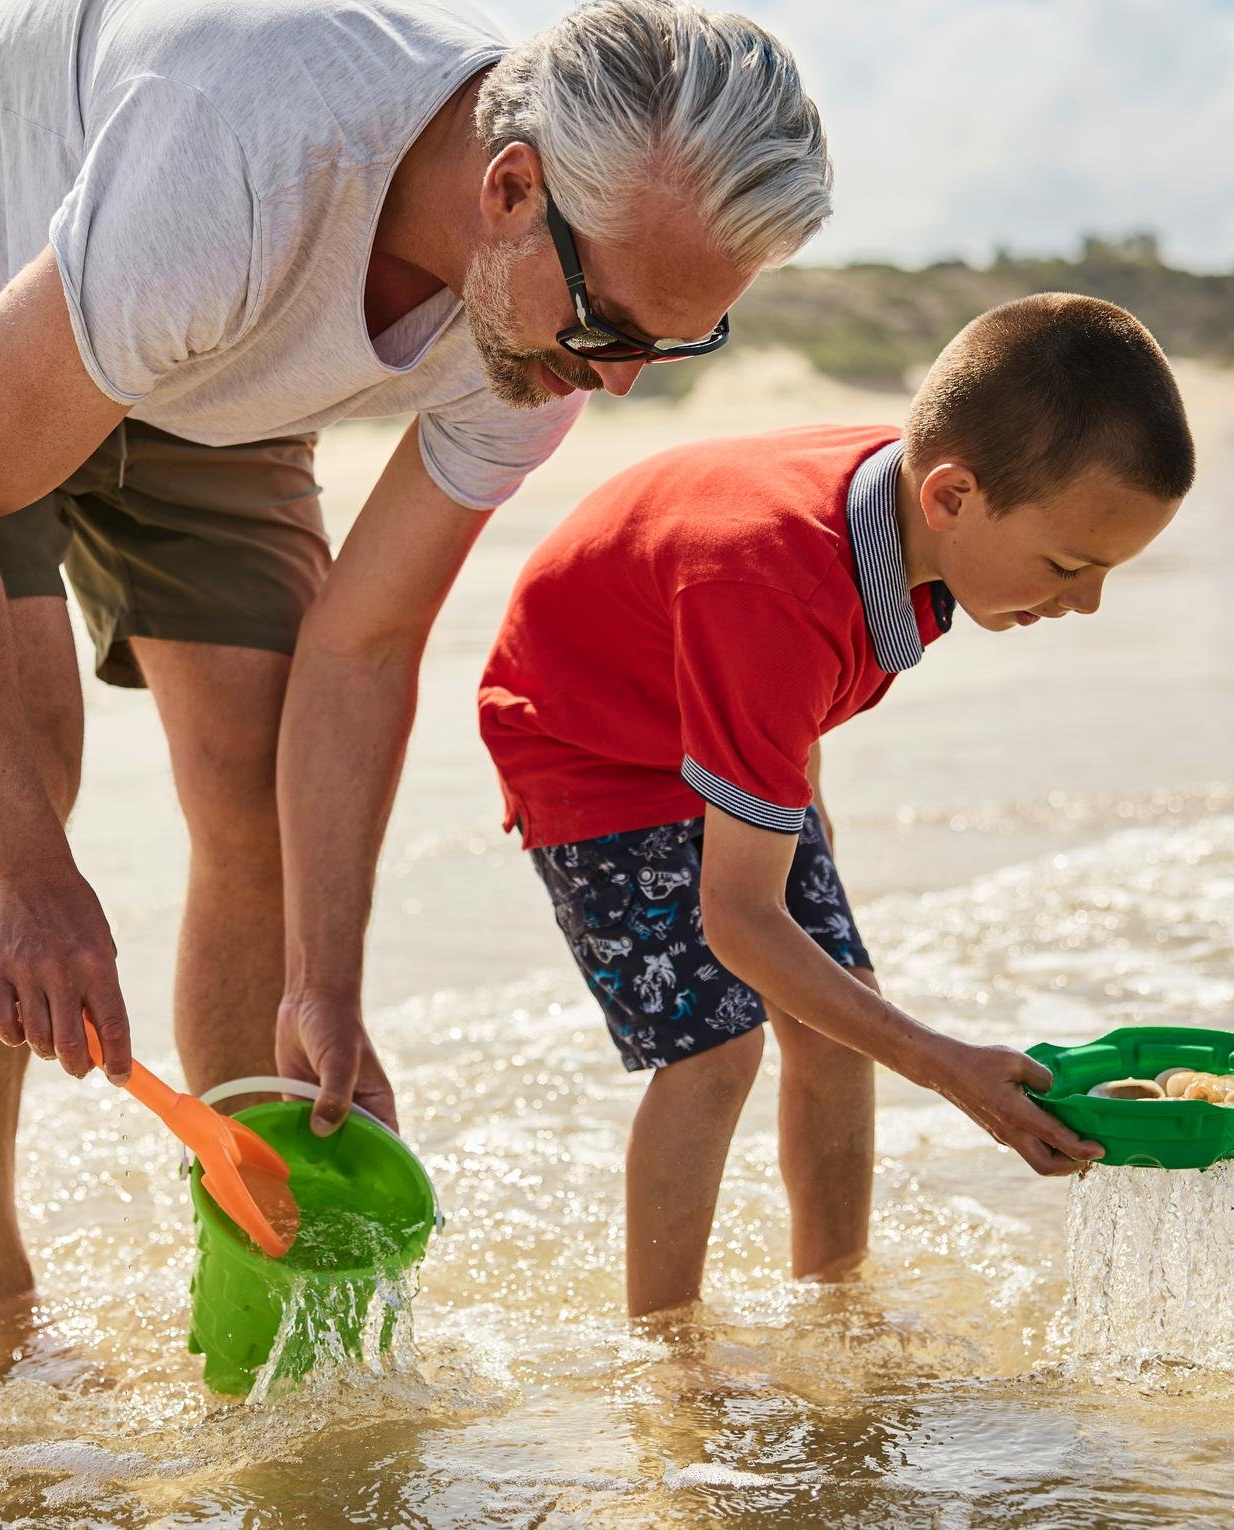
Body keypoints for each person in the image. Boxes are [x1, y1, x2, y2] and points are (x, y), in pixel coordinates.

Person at [0, 0, 834, 1330]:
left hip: (211, 357)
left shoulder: (538, 331)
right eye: (617, 330)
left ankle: (253, 1257)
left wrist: (323, 988)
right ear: (511, 189)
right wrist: (27, 879)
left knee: (253, 775)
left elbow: (366, 640)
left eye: (677, 343)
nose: (618, 384)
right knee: (22, 763)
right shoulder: (237, 154)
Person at [475, 294, 1196, 1317]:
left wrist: (799, 817)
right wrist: (948, 1068)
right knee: (715, 1047)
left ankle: (835, 1301)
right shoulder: (773, 589)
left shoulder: (927, 524)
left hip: (706, 680)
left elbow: (785, 694)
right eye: (1070, 565)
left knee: (835, 1004)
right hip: (583, 733)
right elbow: (738, 915)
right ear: (952, 494)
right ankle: (669, 1352)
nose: (1084, 603)